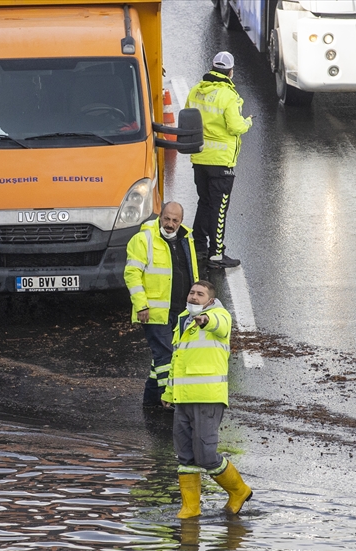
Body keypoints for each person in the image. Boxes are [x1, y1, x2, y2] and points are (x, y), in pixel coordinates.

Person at [163, 280, 253, 517]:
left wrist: (206, 320)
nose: (193, 297)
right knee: (185, 456)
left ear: (210, 301)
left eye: (200, 294)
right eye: (192, 292)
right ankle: (190, 508)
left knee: (205, 456)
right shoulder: (183, 320)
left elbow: (220, 326)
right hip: (183, 399)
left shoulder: (219, 316)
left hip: (207, 398)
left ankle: (239, 490)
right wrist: (168, 393)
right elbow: (177, 361)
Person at [123, 201, 199, 408]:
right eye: (167, 218)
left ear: (181, 221)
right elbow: (132, 274)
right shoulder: (143, 240)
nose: (170, 224)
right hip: (155, 312)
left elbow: (192, 273)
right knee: (166, 355)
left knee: (163, 356)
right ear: (160, 217)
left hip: (182, 311)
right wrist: (141, 305)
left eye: (175, 220)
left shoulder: (186, 239)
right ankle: (170, 400)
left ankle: (150, 401)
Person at [185, 52, 252, 269]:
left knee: (204, 202)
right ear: (230, 72)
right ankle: (216, 254)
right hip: (221, 162)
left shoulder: (196, 91)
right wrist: (247, 122)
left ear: (212, 68)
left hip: (200, 157)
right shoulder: (228, 96)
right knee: (219, 207)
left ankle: (199, 247)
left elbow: (187, 118)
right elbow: (235, 127)